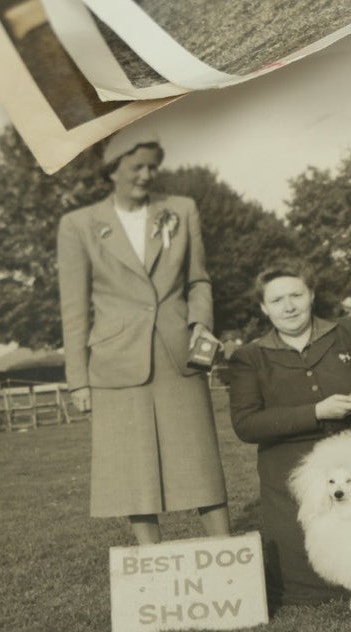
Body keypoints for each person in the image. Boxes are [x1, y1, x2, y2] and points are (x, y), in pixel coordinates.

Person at [57, 131, 230, 545]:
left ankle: (227, 556)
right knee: (134, 476)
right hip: (115, 365)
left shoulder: (181, 210)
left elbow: (199, 280)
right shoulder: (78, 225)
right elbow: (74, 309)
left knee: (200, 462)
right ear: (112, 170)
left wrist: (200, 325)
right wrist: (78, 379)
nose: (147, 175)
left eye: (154, 166)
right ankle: (153, 566)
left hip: (179, 355)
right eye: (137, 167)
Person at [227, 265, 351, 606]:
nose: (289, 306)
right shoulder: (249, 357)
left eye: (296, 295)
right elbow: (246, 424)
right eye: (277, 300)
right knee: (312, 585)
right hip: (290, 474)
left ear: (311, 295)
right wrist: (315, 412)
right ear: (264, 308)